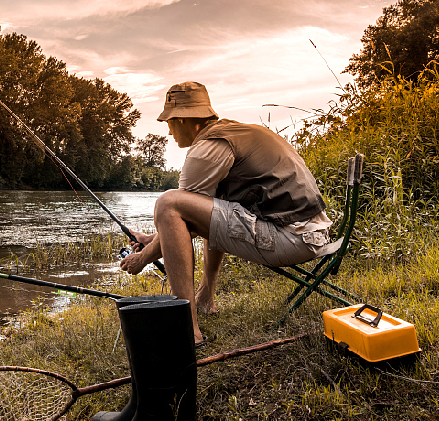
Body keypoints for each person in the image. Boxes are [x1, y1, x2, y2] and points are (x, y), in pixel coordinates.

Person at [119, 81, 340, 345]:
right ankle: (205, 298)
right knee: (208, 202)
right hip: (312, 232)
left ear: (182, 119)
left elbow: (177, 213)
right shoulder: (239, 132)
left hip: (291, 238)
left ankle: (187, 330)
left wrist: (142, 257)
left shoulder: (208, 147)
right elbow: (196, 217)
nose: (168, 131)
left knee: (168, 203)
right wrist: (153, 239)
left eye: (169, 122)